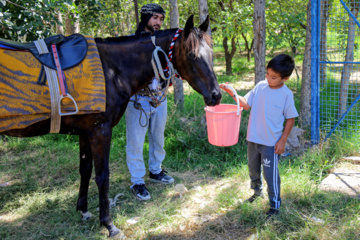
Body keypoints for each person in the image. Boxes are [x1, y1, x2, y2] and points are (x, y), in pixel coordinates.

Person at [220, 54, 298, 218]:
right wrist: (231, 91)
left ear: (285, 78)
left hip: (270, 143)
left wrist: (282, 141)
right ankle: (257, 192)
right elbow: (246, 104)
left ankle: (275, 205)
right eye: (268, 74)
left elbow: (291, 118)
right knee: (253, 170)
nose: (269, 79)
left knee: (270, 175)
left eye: (274, 77)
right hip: (253, 139)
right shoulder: (261, 86)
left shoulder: (286, 94)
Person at [125, 3, 174, 201]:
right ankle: (137, 181)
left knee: (158, 138)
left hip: (160, 98)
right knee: (136, 143)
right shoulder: (131, 42)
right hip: (138, 100)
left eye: (161, 19)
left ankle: (155, 171)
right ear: (145, 18)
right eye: (155, 17)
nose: (158, 22)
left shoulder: (163, 42)